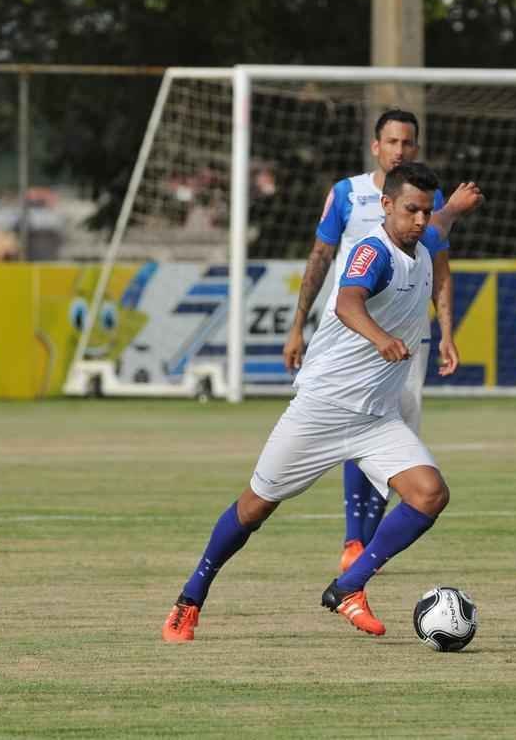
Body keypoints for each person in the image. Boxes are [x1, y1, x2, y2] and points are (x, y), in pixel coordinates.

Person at [164, 162, 464, 642]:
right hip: (322, 409)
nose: (422, 220)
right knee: (254, 508)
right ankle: (190, 599)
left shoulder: (424, 241)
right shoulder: (374, 250)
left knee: (430, 494)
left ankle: (348, 587)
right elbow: (347, 303)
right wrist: (381, 338)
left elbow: (440, 225)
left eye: (427, 212)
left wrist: (454, 210)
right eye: (411, 210)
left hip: (376, 417)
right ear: (385, 206)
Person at [282, 108, 482, 574]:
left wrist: (447, 331)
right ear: (376, 147)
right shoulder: (347, 194)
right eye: (392, 142)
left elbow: (440, 267)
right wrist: (297, 325)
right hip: (352, 338)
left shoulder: (421, 202)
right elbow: (320, 256)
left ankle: (361, 545)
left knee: (392, 440)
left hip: (405, 342)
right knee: (360, 426)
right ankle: (356, 540)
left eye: (408, 143)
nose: (400, 150)